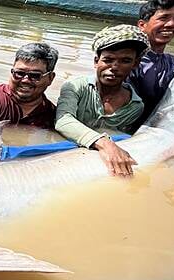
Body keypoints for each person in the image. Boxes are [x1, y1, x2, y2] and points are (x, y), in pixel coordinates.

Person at [55, 25, 150, 177]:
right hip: (65, 158)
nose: (114, 67)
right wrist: (105, 144)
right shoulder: (76, 86)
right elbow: (63, 121)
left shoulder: (135, 105)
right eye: (108, 60)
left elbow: (123, 139)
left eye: (125, 61)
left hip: (95, 163)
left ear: (135, 64)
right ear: (96, 61)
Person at [0, 42, 58, 129]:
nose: (25, 80)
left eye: (34, 75)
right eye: (19, 73)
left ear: (50, 78)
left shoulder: (52, 115)